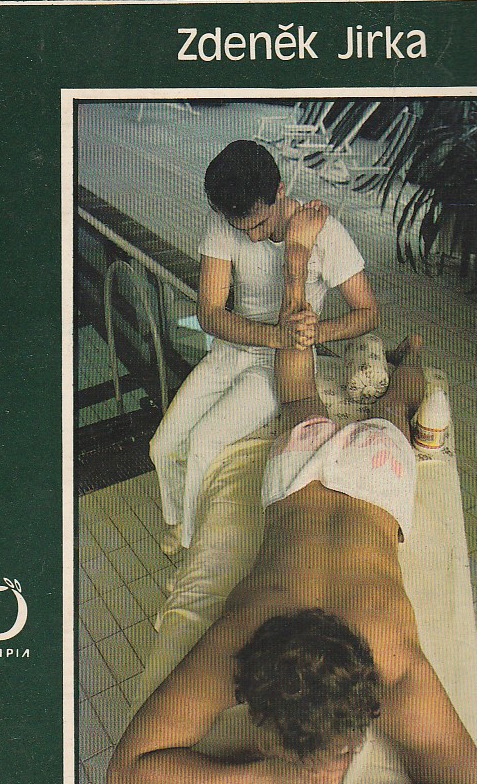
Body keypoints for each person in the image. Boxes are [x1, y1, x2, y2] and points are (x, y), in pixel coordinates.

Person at [108, 202, 477, 784]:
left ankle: (380, 341)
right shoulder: (270, 638)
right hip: (317, 479)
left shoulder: (310, 644)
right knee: (345, 402)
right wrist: (269, 774)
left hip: (357, 483)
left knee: (342, 405)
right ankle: (390, 344)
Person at [150, 139, 378, 550]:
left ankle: (192, 543)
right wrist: (275, 335)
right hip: (232, 348)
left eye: (259, 225)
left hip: (278, 366)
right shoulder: (225, 221)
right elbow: (210, 315)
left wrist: (316, 333)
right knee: (162, 446)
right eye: (243, 230)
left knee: (203, 444)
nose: (253, 238)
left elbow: (367, 313)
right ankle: (179, 518)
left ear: (280, 192)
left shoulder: (324, 233)